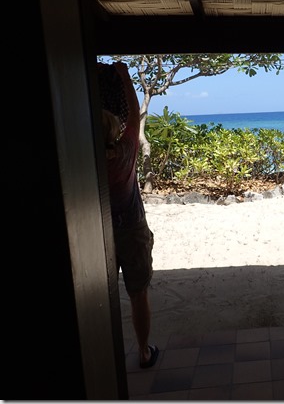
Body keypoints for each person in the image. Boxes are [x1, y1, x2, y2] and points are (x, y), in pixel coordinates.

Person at [99, 61, 159, 369]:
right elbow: (135, 114)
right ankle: (144, 352)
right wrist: (124, 76)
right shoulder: (125, 152)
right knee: (138, 293)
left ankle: (100, 359)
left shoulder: (84, 162)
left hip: (97, 232)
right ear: (115, 130)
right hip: (131, 228)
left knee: (96, 296)